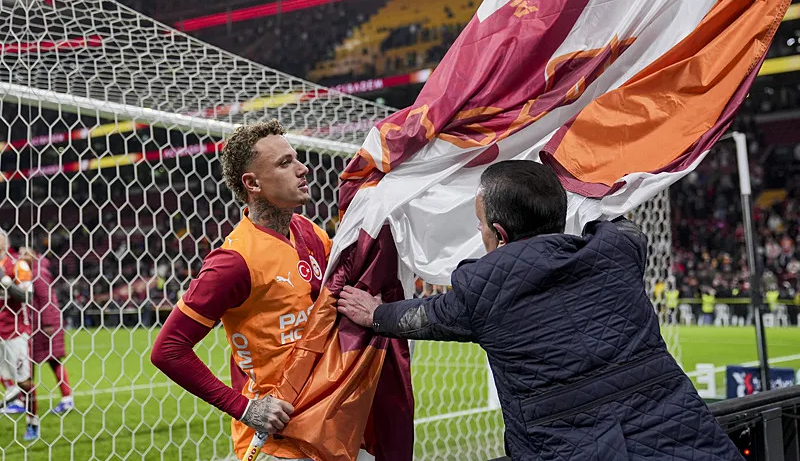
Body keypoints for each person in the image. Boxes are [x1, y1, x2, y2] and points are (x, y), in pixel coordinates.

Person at [338, 160, 742, 461]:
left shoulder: (481, 288)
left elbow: (423, 318)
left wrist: (374, 314)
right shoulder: (617, 252)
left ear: (500, 234)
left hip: (565, 447)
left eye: (480, 226)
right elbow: (620, 224)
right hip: (682, 435)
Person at [151, 120, 332, 461]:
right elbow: (168, 350)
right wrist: (245, 408)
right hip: (275, 443)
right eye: (284, 163)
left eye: (296, 158)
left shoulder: (310, 232)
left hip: (326, 423)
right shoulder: (234, 260)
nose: (302, 168)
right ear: (253, 183)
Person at [19, 247, 75, 414]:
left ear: (33, 254)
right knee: (35, 361)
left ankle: (64, 399)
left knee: (47, 360)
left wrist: (48, 323)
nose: (21, 257)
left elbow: (47, 298)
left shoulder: (38, 273)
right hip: (38, 324)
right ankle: (26, 399)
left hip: (45, 325)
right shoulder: (33, 271)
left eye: (24, 253)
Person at [0, 229, 39, 441]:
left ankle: (32, 421)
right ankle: (12, 395)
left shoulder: (18, 265)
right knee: (5, 377)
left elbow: (28, 297)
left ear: (5, 242)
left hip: (16, 332)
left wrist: (6, 281)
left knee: (25, 382)